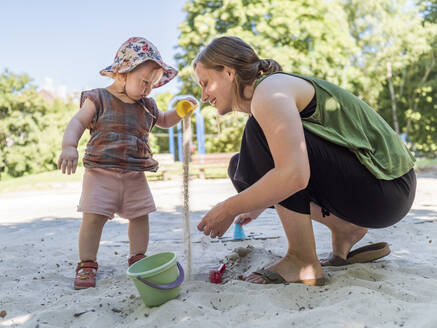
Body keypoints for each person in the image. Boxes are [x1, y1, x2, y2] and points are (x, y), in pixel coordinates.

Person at [194, 36, 416, 286]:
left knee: (259, 134)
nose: (203, 96)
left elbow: (294, 175)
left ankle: (302, 259)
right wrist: (257, 201)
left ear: (228, 73)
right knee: (241, 167)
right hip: (380, 189)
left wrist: (228, 207)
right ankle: (345, 229)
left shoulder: (268, 91)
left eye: (206, 83)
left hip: (386, 186)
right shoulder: (269, 92)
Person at [57, 37, 196, 289]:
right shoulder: (97, 98)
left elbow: (164, 120)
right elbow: (77, 122)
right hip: (100, 173)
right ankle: (87, 264)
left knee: (141, 216)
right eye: (144, 82)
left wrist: (181, 111)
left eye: (153, 84)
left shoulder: (148, 106)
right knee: (93, 218)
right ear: (122, 73)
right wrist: (69, 146)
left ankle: (138, 257)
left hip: (135, 174)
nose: (148, 89)